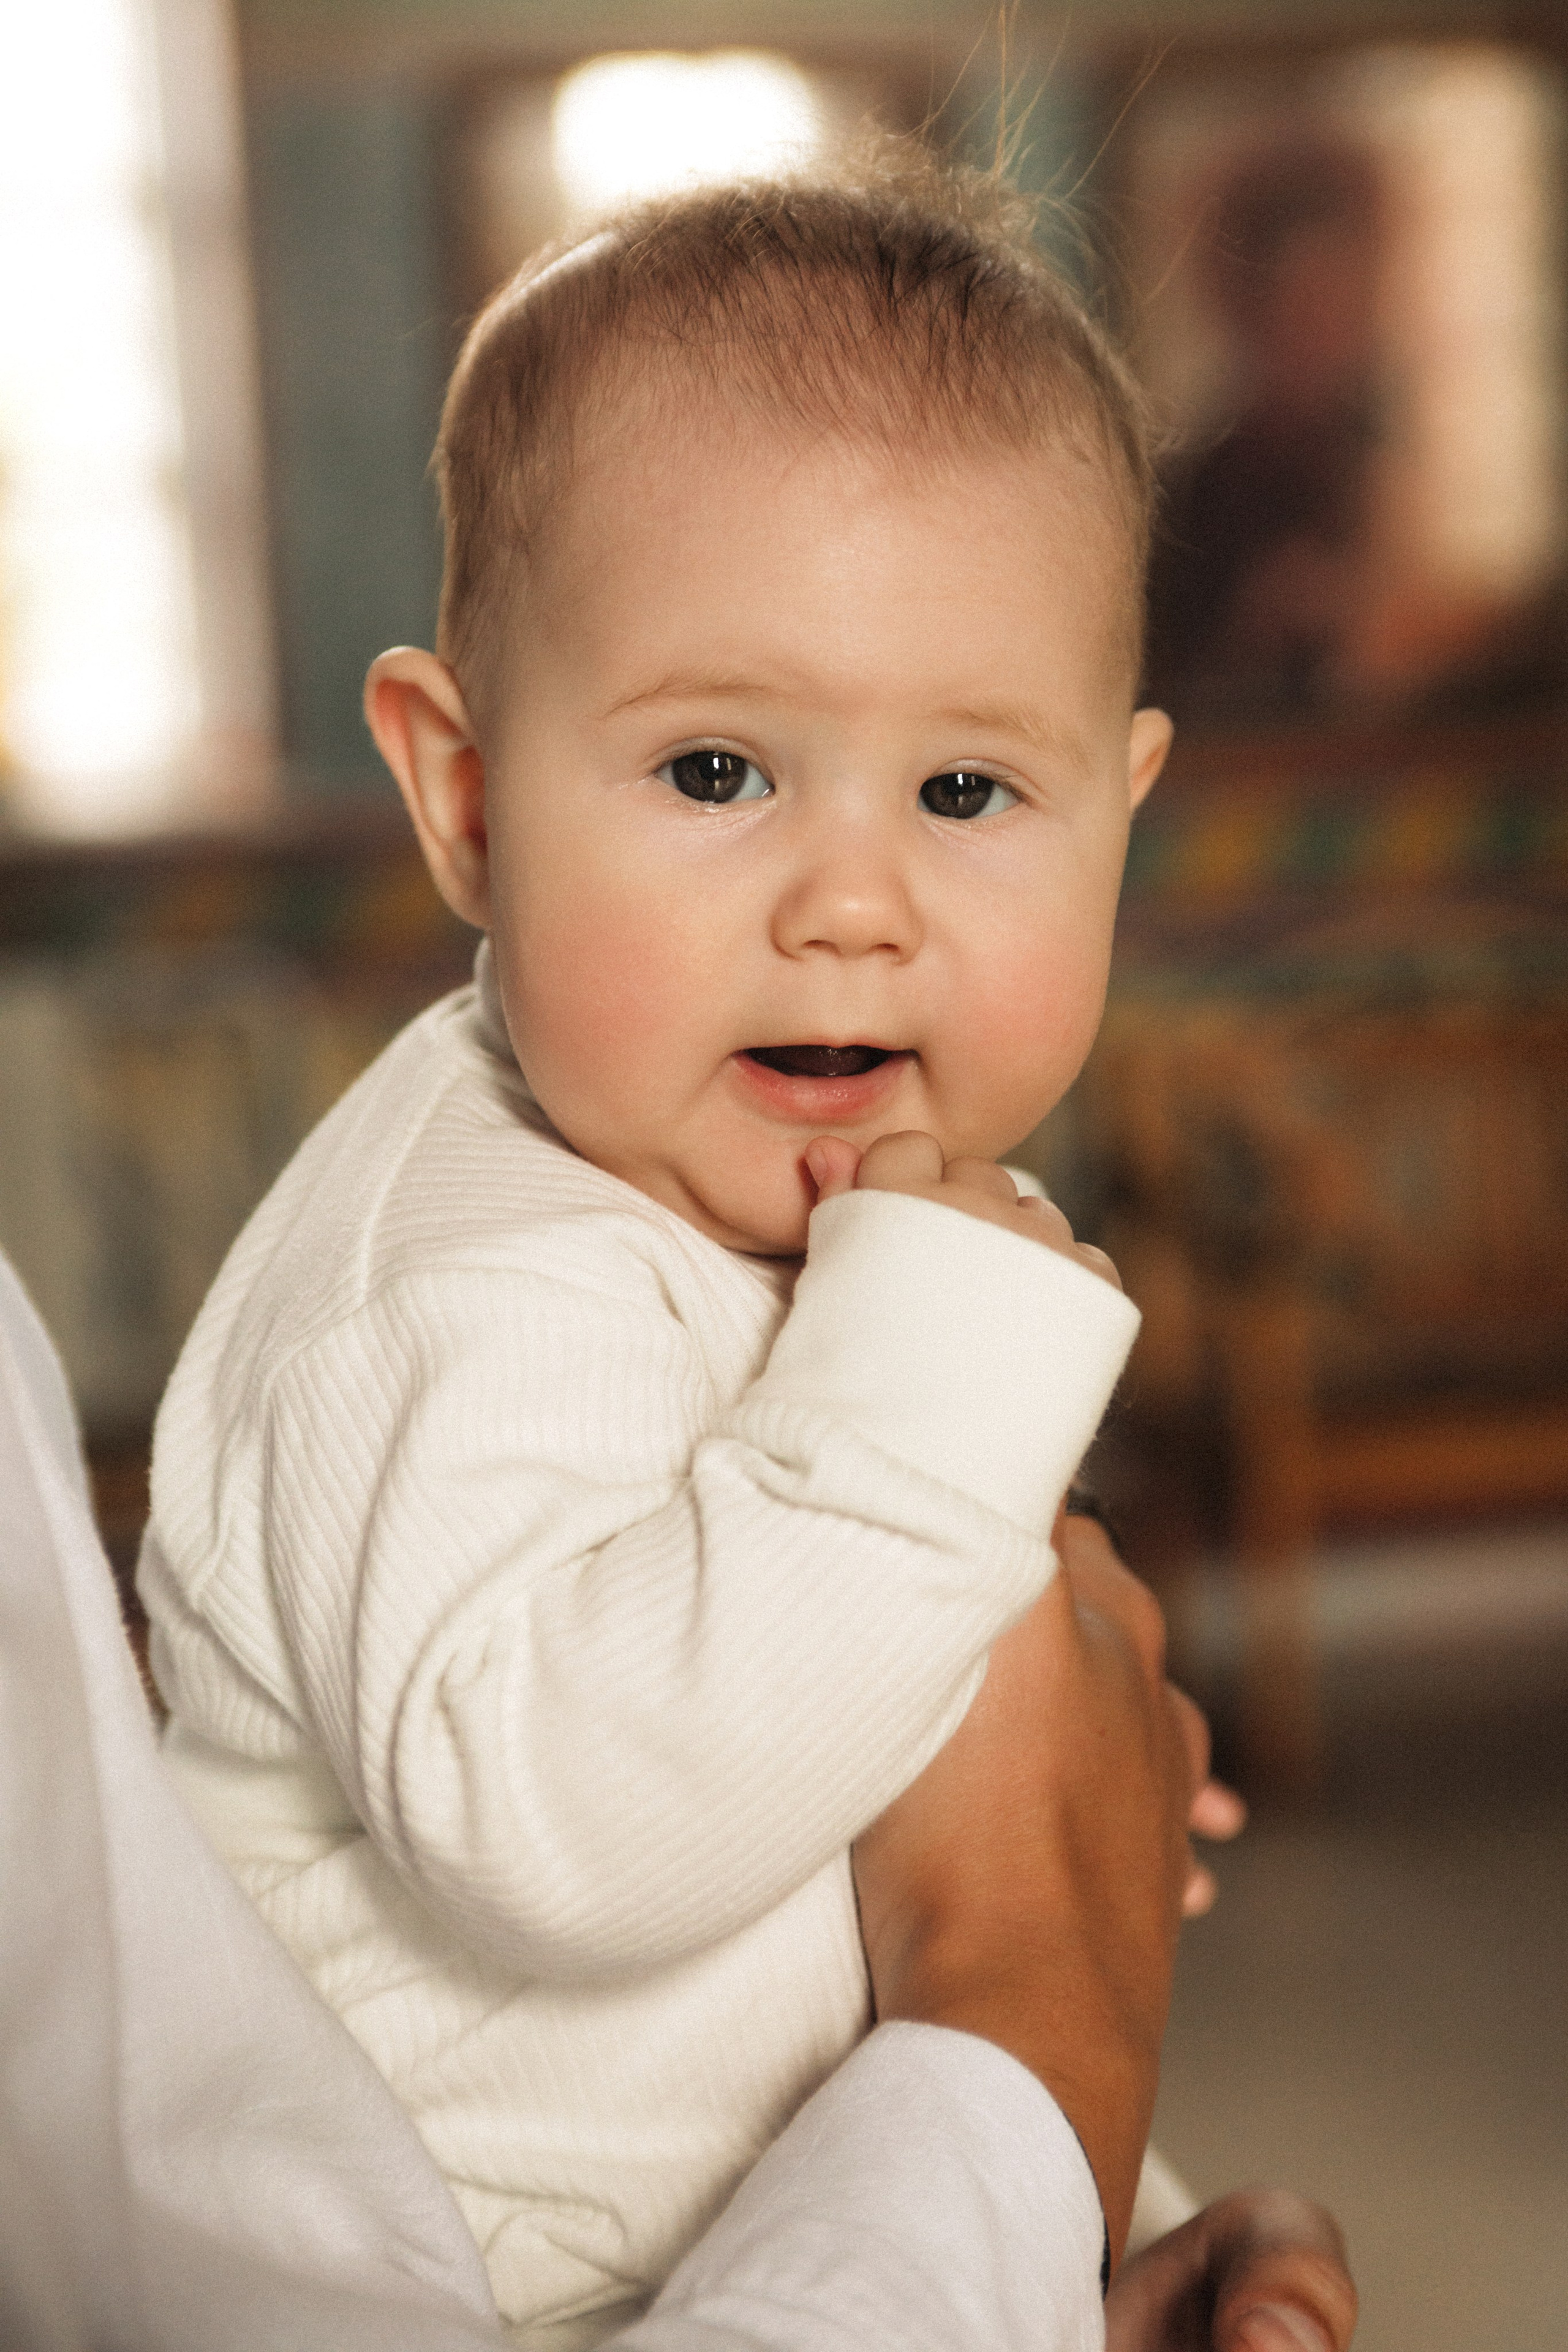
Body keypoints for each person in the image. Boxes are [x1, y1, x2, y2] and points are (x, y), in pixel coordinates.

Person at [135, 146, 1317, 2343]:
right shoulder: (467, 1284)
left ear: (1122, 812)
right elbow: (574, 1838)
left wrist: (1053, 1758)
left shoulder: (789, 1188)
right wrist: (950, 1427)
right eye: (714, 771)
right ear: (467, 797)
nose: (851, 901)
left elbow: (830, 1761)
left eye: (970, 795)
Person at [0, 1250, 1355, 2352]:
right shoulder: (450, 1283)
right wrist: (1044, 2022)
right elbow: (544, 1848)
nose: (854, 909)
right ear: (468, 891)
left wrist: (1028, 2272)